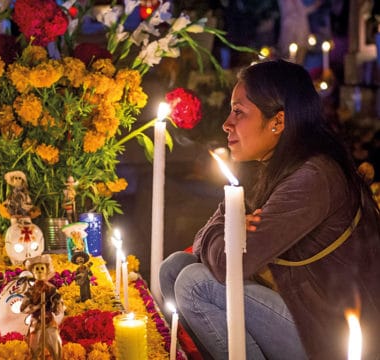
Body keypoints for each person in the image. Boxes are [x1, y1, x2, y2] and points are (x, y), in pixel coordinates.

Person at [159, 60, 380, 359]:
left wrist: (225, 231)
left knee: (196, 284)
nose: (227, 123)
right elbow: (205, 245)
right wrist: (226, 229)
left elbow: (229, 265)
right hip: (296, 308)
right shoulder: (265, 167)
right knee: (174, 267)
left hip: (331, 335)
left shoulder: (313, 176)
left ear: (277, 121)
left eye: (239, 112)